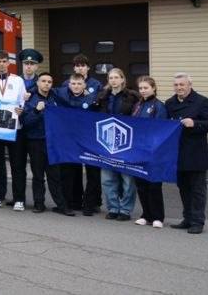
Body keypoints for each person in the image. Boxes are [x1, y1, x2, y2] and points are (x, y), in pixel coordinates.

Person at [165, 73, 208, 235]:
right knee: (183, 188)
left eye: (182, 84)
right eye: (176, 85)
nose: (179, 88)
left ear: (190, 85)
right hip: (178, 153)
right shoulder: (170, 103)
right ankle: (187, 218)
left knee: (197, 190)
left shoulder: (202, 101)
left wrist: (194, 123)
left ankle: (197, 222)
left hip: (196, 154)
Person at [19, 72, 71, 215]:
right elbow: (25, 122)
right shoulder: (30, 99)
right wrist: (36, 110)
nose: (46, 84)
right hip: (36, 141)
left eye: (49, 81)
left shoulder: (56, 98)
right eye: (43, 81)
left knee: (55, 176)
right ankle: (39, 204)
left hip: (53, 143)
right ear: (37, 83)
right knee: (38, 175)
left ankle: (61, 206)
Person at [0, 51, 28, 211]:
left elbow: (23, 101)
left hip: (15, 128)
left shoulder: (18, 80)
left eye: (4, 61)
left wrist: (21, 109)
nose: (1, 64)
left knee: (17, 165)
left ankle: (19, 199)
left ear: (9, 63)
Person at [53, 73, 101, 215]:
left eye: (79, 83)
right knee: (69, 172)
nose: (76, 86)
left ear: (84, 85)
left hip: (89, 140)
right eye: (73, 83)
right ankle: (71, 203)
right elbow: (44, 89)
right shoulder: (61, 95)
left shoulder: (93, 98)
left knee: (93, 173)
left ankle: (89, 205)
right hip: (70, 141)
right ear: (69, 84)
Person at [96, 68, 140, 221]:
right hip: (106, 142)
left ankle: (125, 210)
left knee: (127, 180)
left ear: (122, 79)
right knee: (107, 179)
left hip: (126, 142)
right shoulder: (102, 96)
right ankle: (113, 208)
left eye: (116, 77)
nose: (113, 80)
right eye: (111, 78)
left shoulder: (133, 96)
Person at [132, 76, 169, 228]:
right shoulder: (137, 105)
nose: (143, 91)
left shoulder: (159, 106)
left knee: (154, 184)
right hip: (138, 150)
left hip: (154, 151)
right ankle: (146, 215)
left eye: (146, 88)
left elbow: (161, 129)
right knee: (141, 184)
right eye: (140, 88)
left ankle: (157, 217)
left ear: (153, 88)